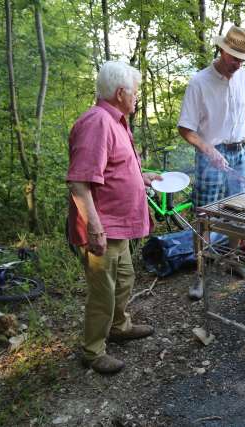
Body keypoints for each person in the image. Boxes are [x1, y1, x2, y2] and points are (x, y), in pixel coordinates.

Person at [67, 61, 161, 375]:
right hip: (102, 228)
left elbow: (113, 167)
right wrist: (94, 228)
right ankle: (92, 352)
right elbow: (79, 181)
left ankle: (119, 327)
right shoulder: (97, 122)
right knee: (103, 294)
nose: (137, 97)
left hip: (118, 228)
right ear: (121, 92)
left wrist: (140, 176)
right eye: (135, 92)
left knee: (124, 281)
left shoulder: (117, 121)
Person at [178, 25, 245, 300]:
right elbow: (186, 129)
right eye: (234, 57)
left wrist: (237, 139)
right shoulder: (199, 82)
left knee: (238, 211)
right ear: (222, 50)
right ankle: (200, 273)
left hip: (239, 153)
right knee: (204, 216)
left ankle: (233, 261)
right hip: (209, 155)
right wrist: (210, 148)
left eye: (242, 58)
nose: (238, 63)